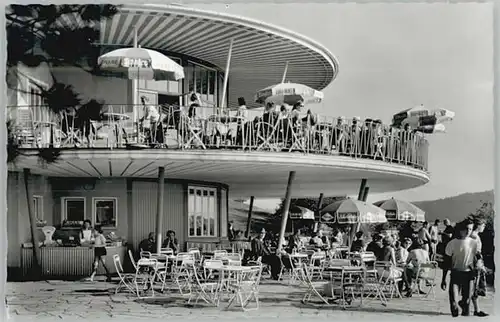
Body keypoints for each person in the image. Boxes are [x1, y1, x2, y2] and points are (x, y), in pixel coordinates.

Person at [444, 219, 478, 317]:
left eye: (471, 229)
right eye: (466, 229)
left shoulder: (473, 243)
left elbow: (476, 257)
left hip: (469, 274)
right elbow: (447, 262)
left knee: (467, 301)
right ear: (460, 230)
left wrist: (478, 266)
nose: (468, 231)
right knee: (454, 303)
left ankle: (463, 308)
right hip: (456, 274)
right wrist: (443, 279)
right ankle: (455, 311)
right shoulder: (452, 243)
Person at [470, 218, 488, 317]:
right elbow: (476, 252)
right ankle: (476, 309)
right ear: (478, 225)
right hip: (476, 263)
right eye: (483, 225)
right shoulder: (474, 236)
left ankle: (476, 308)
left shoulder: (474, 235)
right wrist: (481, 265)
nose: (484, 227)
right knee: (475, 286)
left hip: (475, 262)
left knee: (474, 286)